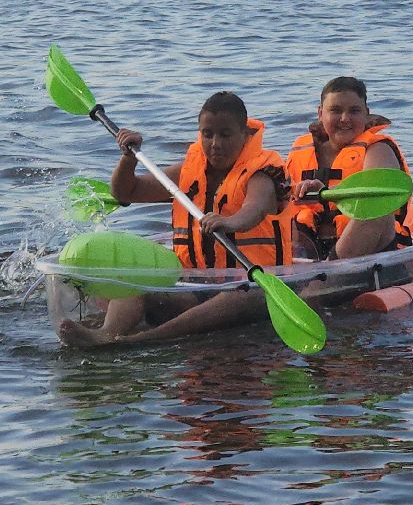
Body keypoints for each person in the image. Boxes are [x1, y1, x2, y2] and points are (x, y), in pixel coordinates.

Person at [57, 92, 296, 346]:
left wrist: (230, 222)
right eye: (207, 134)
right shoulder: (189, 172)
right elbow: (127, 191)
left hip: (254, 285)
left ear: (245, 134)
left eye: (225, 135)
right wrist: (128, 160)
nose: (215, 143)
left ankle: (141, 340)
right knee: (136, 283)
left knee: (238, 296)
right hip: (195, 287)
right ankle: (107, 333)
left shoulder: (263, 174)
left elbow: (255, 208)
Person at [285, 77, 411, 260]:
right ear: (320, 113)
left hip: (369, 250)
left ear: (366, 114)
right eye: (335, 110)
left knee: (376, 211)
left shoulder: (377, 149)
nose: (345, 119)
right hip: (307, 246)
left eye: (354, 111)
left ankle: (327, 277)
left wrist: (327, 192)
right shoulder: (301, 149)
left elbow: (377, 196)